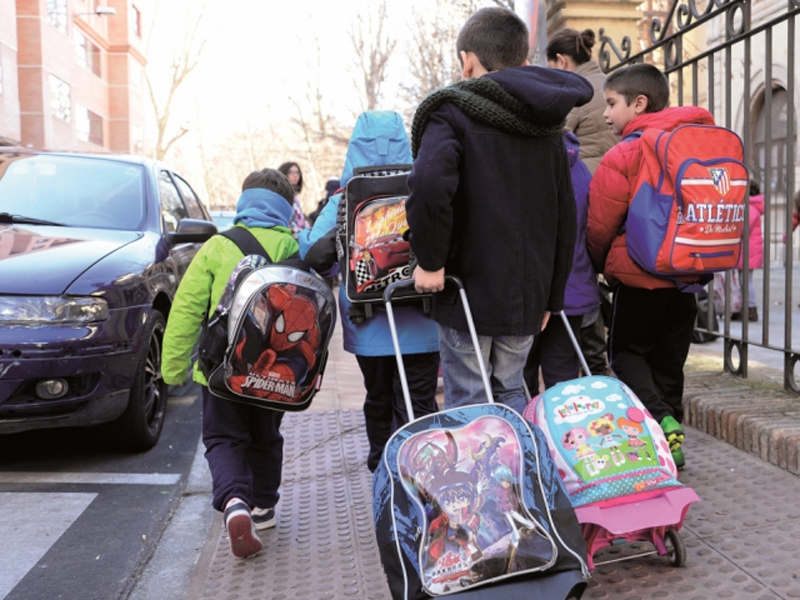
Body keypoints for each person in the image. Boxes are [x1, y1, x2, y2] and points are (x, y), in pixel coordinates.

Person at [405, 7, 593, 414]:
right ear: (523, 58)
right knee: (510, 388)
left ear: (467, 60)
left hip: (465, 287)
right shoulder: (548, 123)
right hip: (529, 290)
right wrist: (553, 296)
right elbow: (566, 214)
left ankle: (480, 478)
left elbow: (428, 183)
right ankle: (517, 475)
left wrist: (430, 262)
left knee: (468, 396)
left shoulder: (453, 109)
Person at [162, 168, 300, 559]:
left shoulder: (217, 247)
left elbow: (186, 309)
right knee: (266, 436)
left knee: (223, 438)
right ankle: (262, 505)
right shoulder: (295, 248)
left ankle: (234, 501)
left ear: (243, 203)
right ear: (286, 209)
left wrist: (173, 370)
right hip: (275, 374)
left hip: (222, 369)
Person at [586, 62, 715, 470]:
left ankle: (659, 424)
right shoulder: (701, 143)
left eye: (611, 104)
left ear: (639, 103)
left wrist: (598, 263)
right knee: (669, 360)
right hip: (688, 277)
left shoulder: (625, 152)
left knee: (625, 355)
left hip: (640, 276)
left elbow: (600, 223)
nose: (605, 114)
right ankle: (673, 442)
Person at [298, 110, 440, 472]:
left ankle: (382, 468)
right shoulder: (423, 189)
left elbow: (315, 255)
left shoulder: (345, 199)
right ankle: (423, 471)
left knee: (378, 397)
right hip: (423, 320)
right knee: (419, 402)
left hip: (368, 325)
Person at [546, 27, 619, 377]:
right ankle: (600, 371)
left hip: (580, 183)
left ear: (561, 60)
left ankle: (593, 368)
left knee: (574, 275)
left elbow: (550, 131)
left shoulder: (572, 90)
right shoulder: (608, 82)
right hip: (613, 189)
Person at [523, 131, 600, 394]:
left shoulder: (524, 161)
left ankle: (529, 432)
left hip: (528, 287)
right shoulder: (578, 168)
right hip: (573, 285)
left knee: (520, 376)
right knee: (563, 377)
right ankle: (564, 433)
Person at [732, 180, 764, 322]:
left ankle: (750, 309)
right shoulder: (751, 207)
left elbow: (743, 228)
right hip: (748, 250)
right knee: (744, 279)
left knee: (745, 280)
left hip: (748, 251)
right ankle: (745, 307)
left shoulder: (749, 208)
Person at [278, 161, 309, 238]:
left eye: (297, 172)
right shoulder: (283, 195)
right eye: (291, 172)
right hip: (291, 236)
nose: (295, 175)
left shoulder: (295, 195)